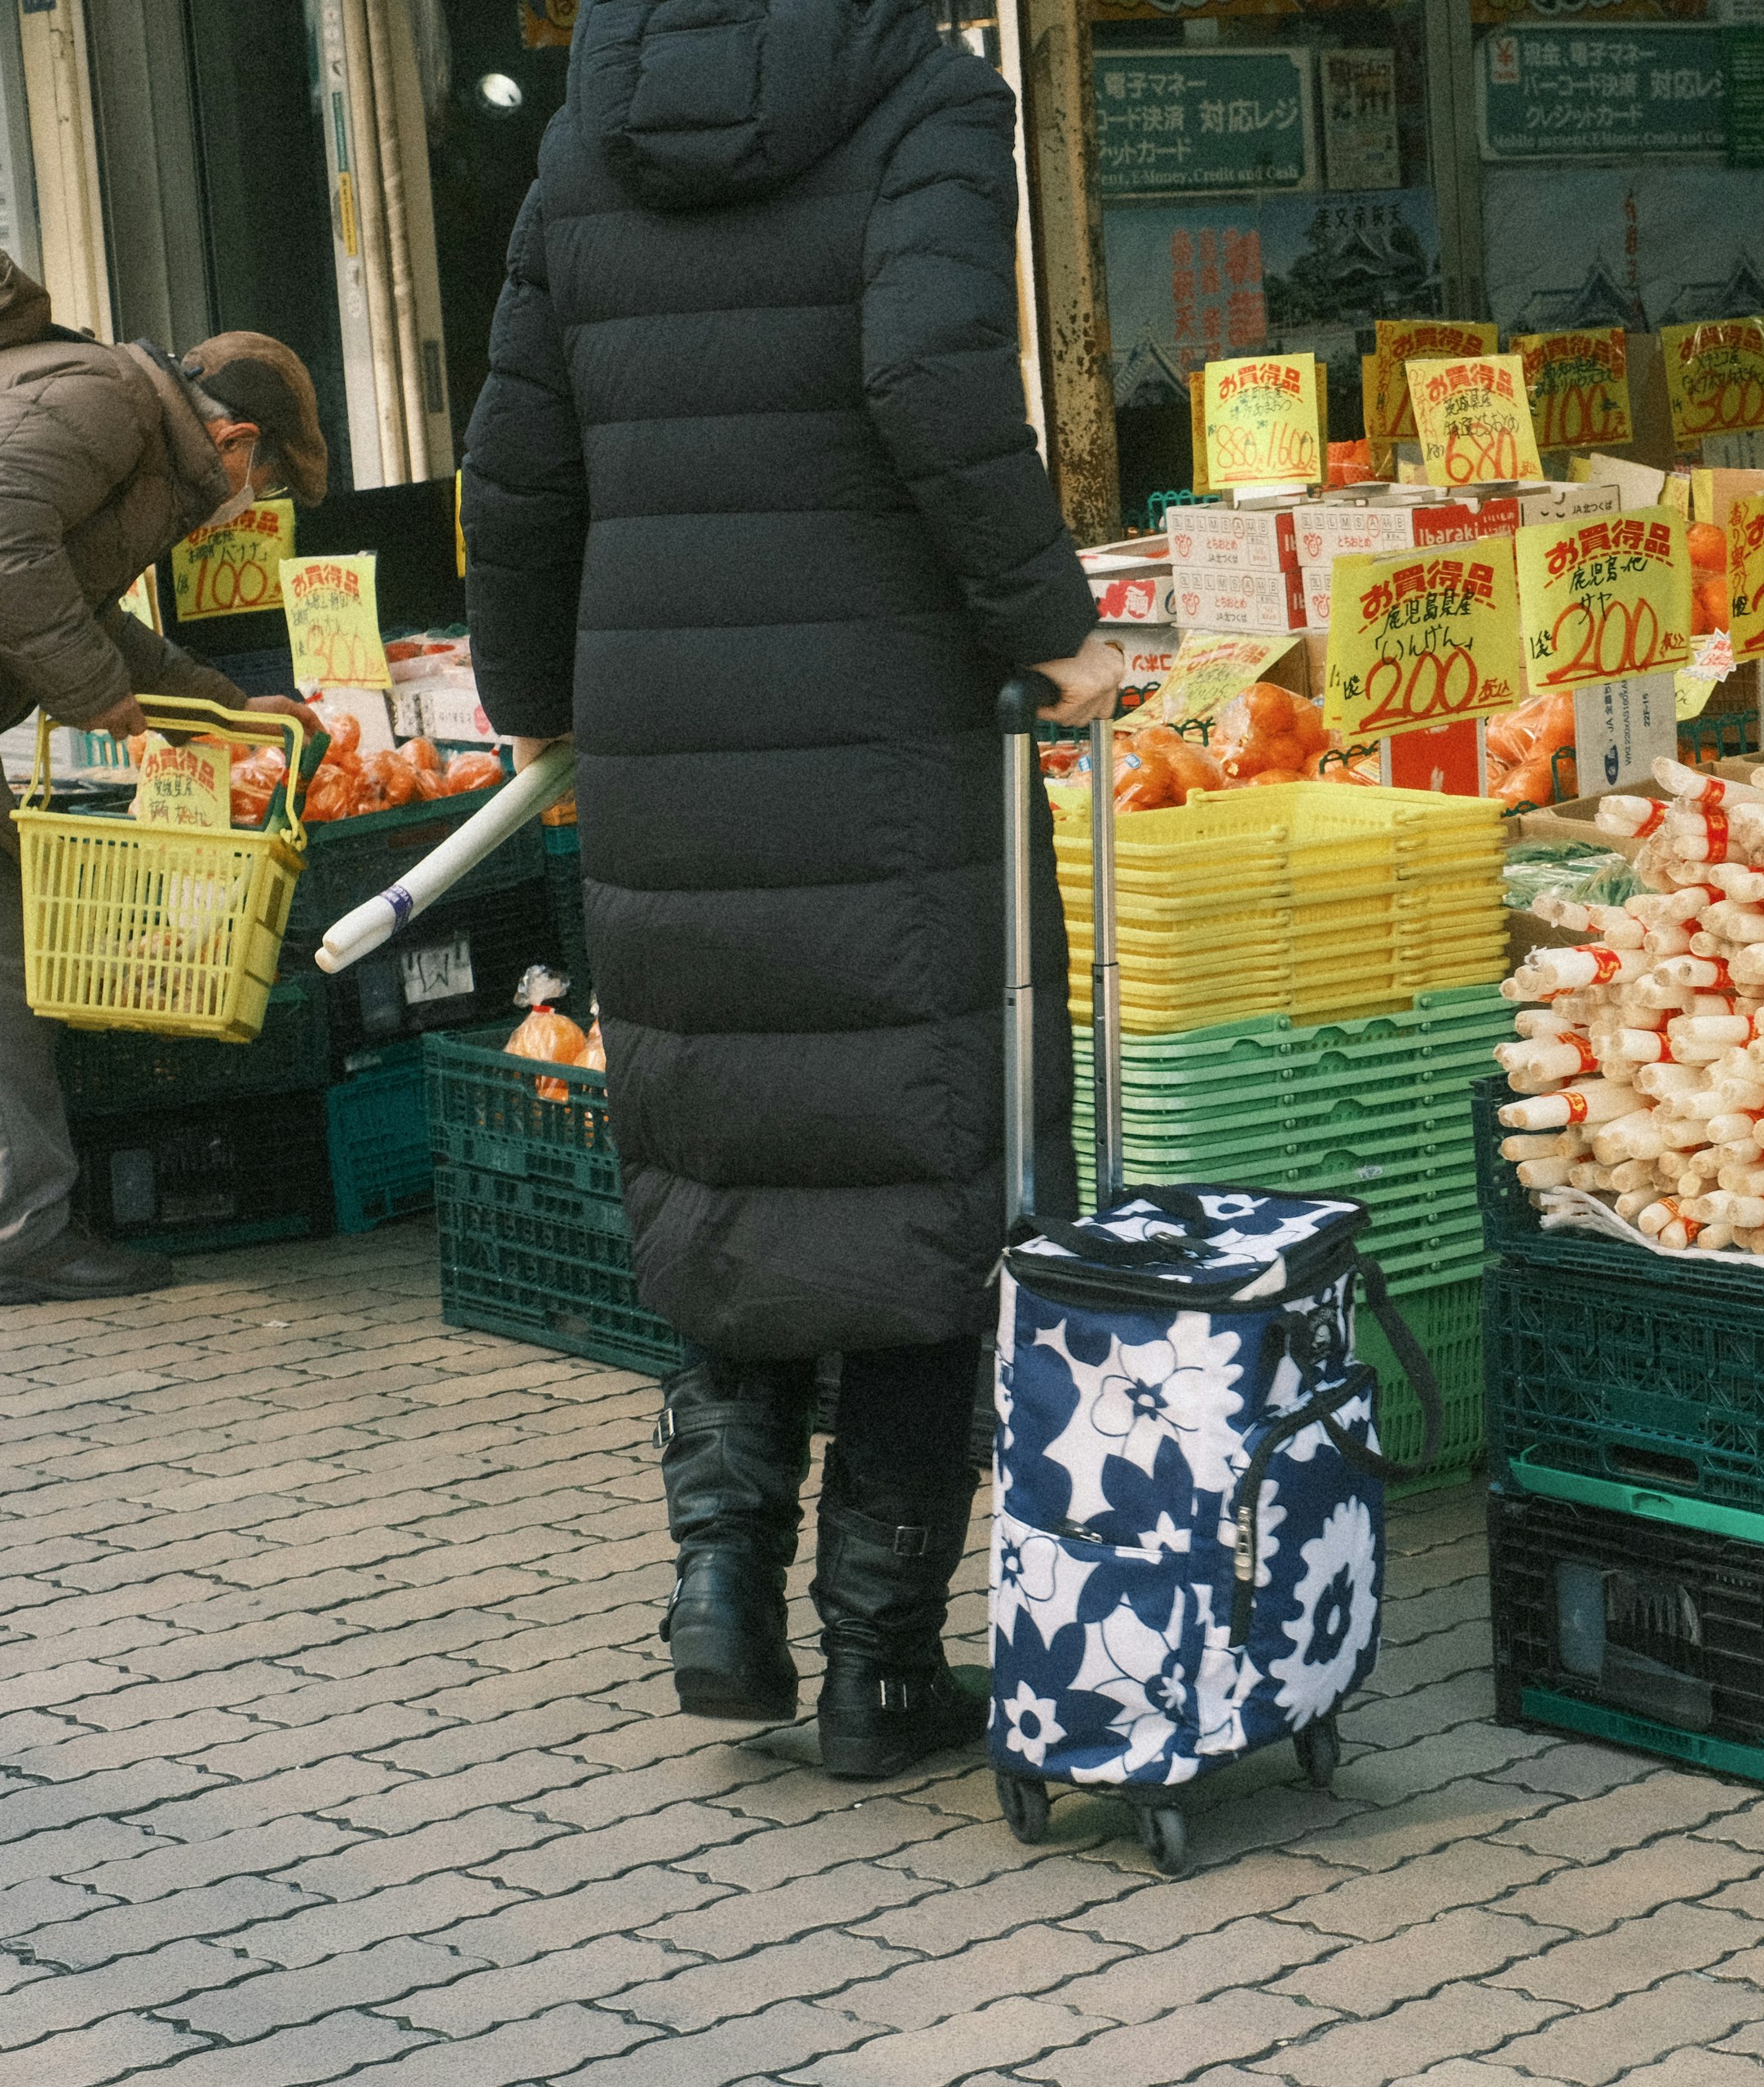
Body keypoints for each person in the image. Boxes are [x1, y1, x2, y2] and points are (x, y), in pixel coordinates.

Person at [460, 0, 1122, 1780]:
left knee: (733, 1142)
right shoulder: (924, 94)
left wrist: (534, 693)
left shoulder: (591, 129)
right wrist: (1052, 630)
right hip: (888, 736)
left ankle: (719, 1595)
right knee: (922, 1170)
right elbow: (929, 371)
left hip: (669, 740)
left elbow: (516, 448)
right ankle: (882, 1665)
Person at [0, 252, 328, 1306]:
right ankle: (24, 1231)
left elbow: (79, 604)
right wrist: (101, 703)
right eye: (264, 483)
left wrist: (224, 709)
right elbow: (6, 542)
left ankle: (25, 1224)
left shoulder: (119, 419)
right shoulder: (104, 402)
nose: (250, 504)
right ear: (235, 441)